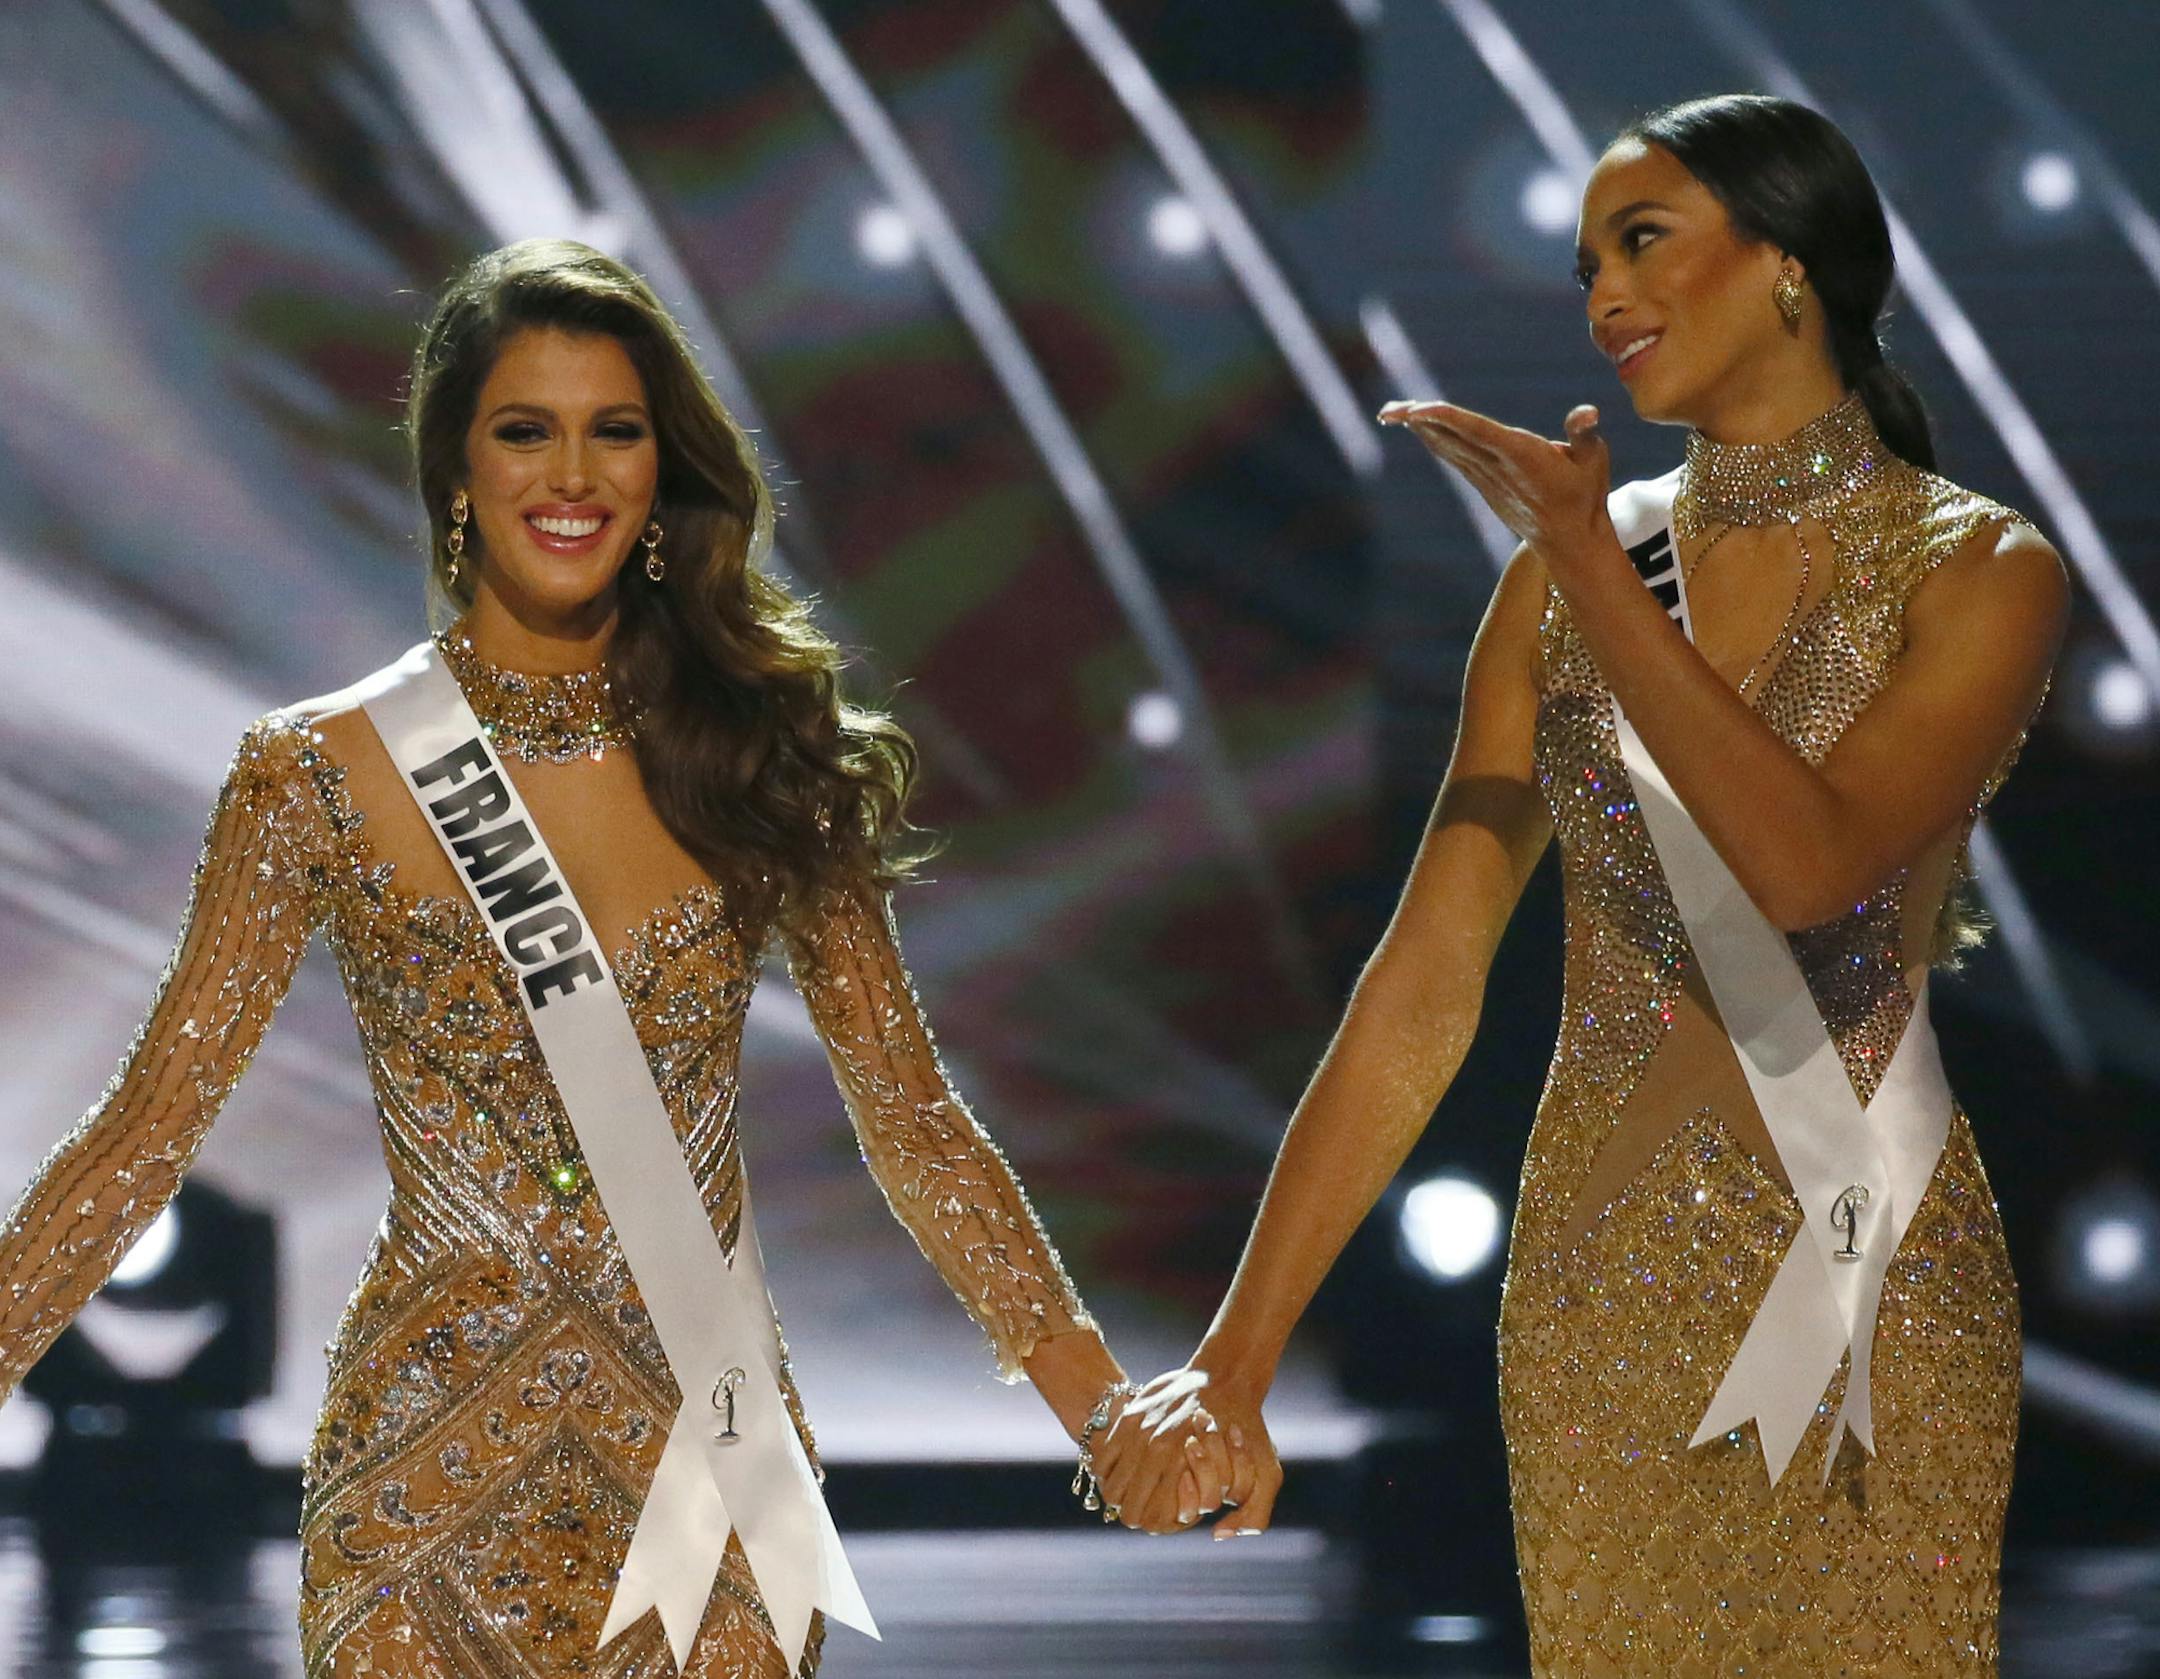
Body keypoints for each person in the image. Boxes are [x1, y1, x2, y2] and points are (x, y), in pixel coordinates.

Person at [0, 238, 1196, 1678]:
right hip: (423, 1486)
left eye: (613, 430)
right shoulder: (316, 772)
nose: (571, 475)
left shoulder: (760, 758)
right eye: (526, 430)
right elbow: (150, 1126)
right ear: (455, 467)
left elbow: (915, 1123)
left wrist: (1104, 1412)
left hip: (712, 1460)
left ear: (659, 468)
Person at [1096, 94, 2068, 1675]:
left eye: (1644, 242)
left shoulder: (1980, 569)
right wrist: (1237, 1357)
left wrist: (1606, 591)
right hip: (1598, 1311)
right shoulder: (1569, 573)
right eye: (1582, 265)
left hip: (1870, 1285)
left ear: (1790, 268)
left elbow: (1814, 871)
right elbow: (1423, 981)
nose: (1603, 296)